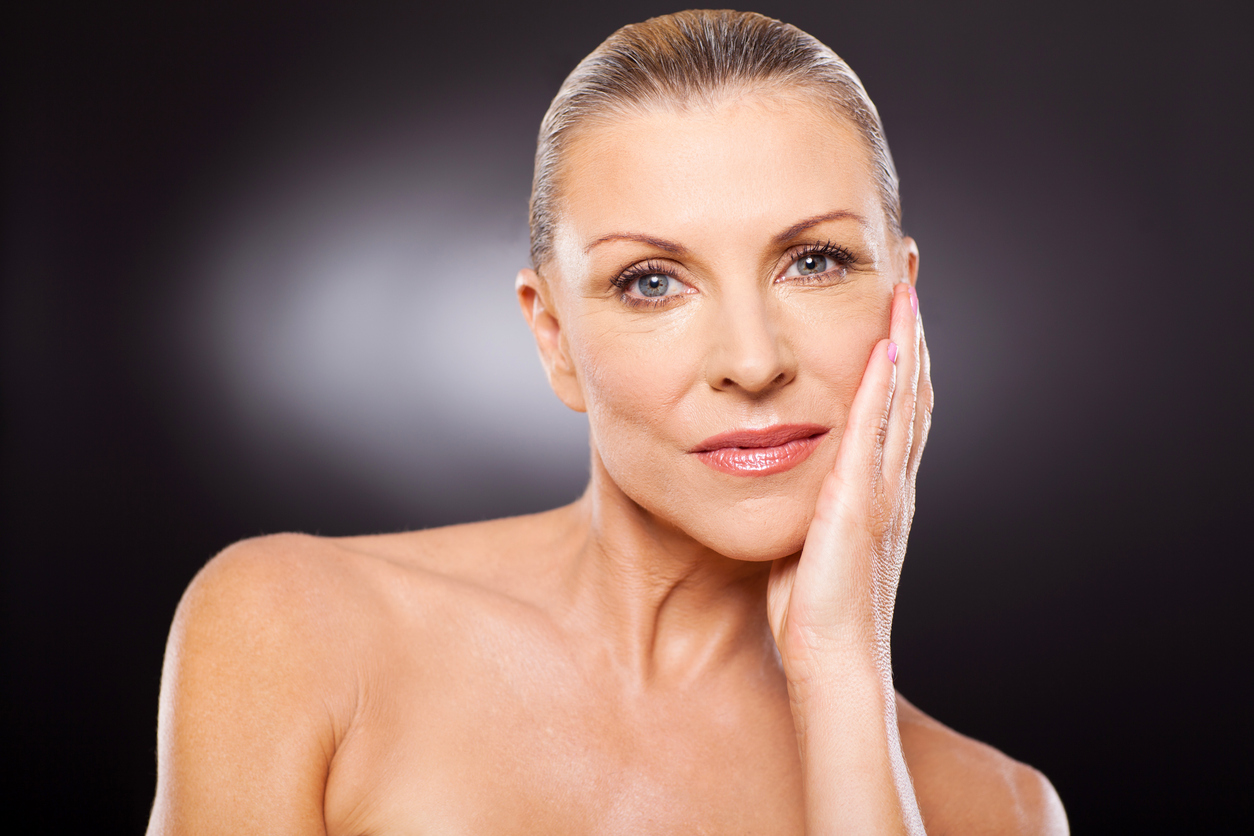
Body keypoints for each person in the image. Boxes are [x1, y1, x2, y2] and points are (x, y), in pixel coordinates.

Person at [147, 10, 1068, 834]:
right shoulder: (294, 631)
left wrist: (840, 677)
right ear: (553, 338)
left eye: (815, 262)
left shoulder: (1000, 811)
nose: (752, 362)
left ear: (903, 298)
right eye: (652, 282)